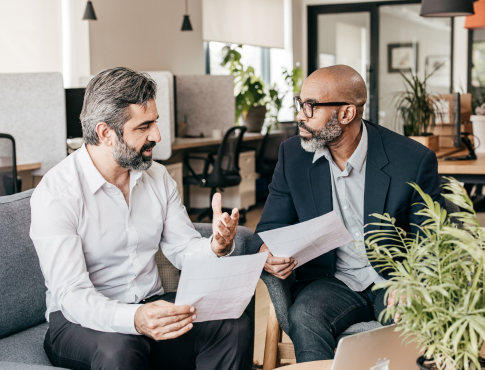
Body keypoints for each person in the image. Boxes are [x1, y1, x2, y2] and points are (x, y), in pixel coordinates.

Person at [30, 67, 251, 370]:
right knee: (121, 349)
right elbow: (72, 296)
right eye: (144, 126)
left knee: (231, 324)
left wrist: (216, 246)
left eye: (155, 123)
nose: (157, 136)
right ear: (105, 133)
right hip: (79, 322)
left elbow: (183, 248)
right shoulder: (57, 194)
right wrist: (134, 319)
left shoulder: (157, 177)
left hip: (149, 304)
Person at [250, 65, 444, 362]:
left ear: (346, 114)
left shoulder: (412, 160)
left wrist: (413, 283)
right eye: (299, 104)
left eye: (310, 107)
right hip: (332, 279)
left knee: (413, 319)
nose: (300, 115)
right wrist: (267, 253)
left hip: (395, 279)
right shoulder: (293, 156)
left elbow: (433, 241)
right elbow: (268, 229)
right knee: (304, 315)